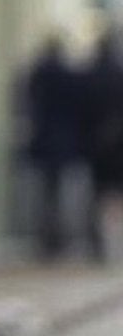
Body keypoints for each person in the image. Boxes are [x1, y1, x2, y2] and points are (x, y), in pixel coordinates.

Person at [19, 32, 86, 259]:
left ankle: (47, 237)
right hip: (63, 141)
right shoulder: (68, 74)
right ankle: (56, 236)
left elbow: (26, 103)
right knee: (56, 190)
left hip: (43, 139)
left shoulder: (37, 73)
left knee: (46, 192)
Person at [82, 25, 123, 262]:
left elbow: (82, 111)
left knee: (98, 193)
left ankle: (99, 242)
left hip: (96, 144)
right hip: (118, 143)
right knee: (117, 192)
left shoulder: (90, 75)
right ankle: (114, 241)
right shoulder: (119, 74)